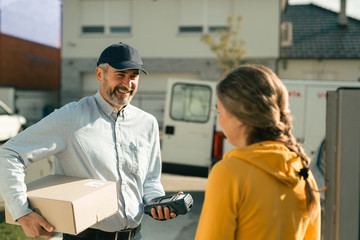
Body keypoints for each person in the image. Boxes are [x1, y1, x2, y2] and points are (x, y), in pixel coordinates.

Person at [0, 42, 176, 240]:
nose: (128, 84)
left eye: (133, 76)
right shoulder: (71, 118)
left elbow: (150, 179)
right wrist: (22, 213)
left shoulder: (147, 123)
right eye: (120, 75)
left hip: (135, 236)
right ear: (100, 75)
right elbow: (10, 153)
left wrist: (157, 202)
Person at [195, 64, 321, 240]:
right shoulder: (303, 171)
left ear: (240, 117)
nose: (220, 120)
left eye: (220, 111)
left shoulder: (229, 173)